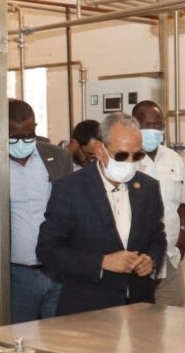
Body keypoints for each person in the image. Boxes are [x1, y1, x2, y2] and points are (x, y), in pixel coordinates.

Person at [36, 112, 166, 315]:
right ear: (99, 149)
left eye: (137, 155)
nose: (129, 162)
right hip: (88, 308)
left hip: (139, 306)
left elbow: (157, 237)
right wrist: (102, 262)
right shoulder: (70, 188)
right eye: (121, 156)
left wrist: (151, 260)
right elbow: (48, 250)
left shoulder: (148, 187)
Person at [0, 99, 73, 323]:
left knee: (60, 334)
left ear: (35, 128)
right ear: (1, 131)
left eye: (28, 135)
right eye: (14, 136)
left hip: (58, 270)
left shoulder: (58, 158)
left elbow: (71, 205)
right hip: (14, 273)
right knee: (17, 336)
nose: (21, 142)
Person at [132, 101, 185, 307]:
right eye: (146, 125)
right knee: (138, 320)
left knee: (175, 319)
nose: (153, 131)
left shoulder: (174, 159)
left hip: (170, 256)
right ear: (134, 124)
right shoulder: (125, 160)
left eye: (158, 126)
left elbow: (182, 203)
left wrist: (182, 233)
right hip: (137, 261)